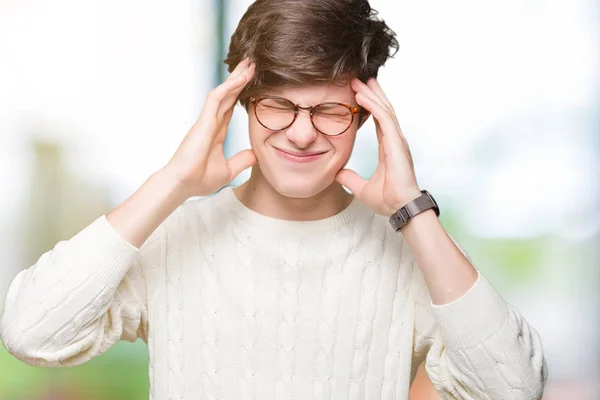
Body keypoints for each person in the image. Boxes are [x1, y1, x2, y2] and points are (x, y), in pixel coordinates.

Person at [0, 0, 548, 399]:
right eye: (278, 105)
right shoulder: (177, 235)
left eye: (330, 110)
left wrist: (413, 209)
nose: (302, 134)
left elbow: (515, 388)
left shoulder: (411, 251)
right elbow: (31, 333)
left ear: (368, 116)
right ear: (240, 103)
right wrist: (173, 180)